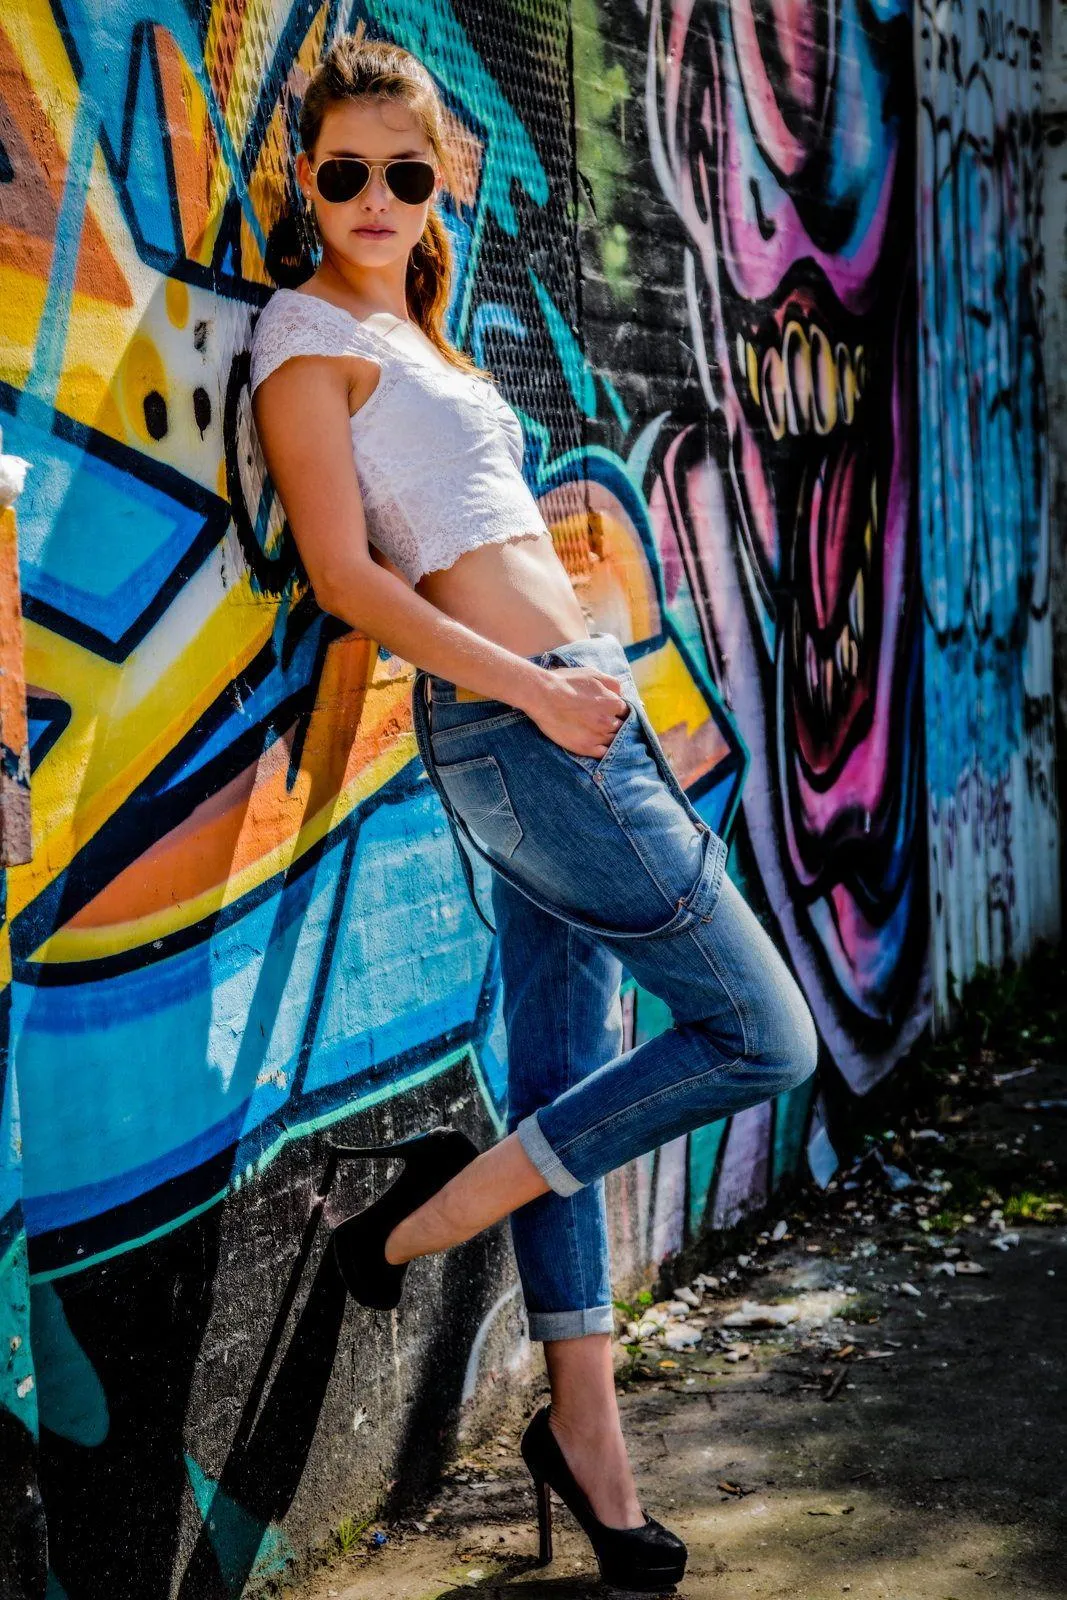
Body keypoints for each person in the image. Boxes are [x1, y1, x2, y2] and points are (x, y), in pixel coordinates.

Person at [250, 30, 818, 1591]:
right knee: (768, 1039)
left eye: (406, 174)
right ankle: (419, 1224)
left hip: (561, 709)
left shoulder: (422, 338)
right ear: (310, 178)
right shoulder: (307, 340)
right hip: (527, 729)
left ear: (441, 191)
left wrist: (582, 673)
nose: (376, 198)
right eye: (346, 172)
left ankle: (589, 1443)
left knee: (567, 1078)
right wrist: (540, 688)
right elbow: (348, 578)